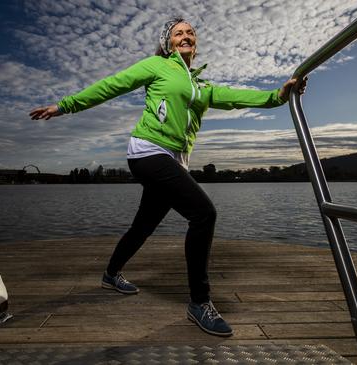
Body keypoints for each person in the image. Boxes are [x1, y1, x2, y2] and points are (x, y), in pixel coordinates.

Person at [29, 17, 307, 337]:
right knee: (204, 214)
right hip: (147, 151)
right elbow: (111, 85)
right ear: (168, 42)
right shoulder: (157, 66)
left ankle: (110, 274)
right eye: (179, 33)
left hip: (174, 160)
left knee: (144, 225)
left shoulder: (201, 87)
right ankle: (199, 303)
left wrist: (279, 95)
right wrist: (63, 106)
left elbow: (237, 96)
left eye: (190, 33)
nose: (186, 36)